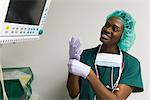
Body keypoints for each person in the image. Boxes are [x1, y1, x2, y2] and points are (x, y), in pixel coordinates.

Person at [67, 10, 144, 100]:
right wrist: (73, 65)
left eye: (114, 29)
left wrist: (89, 74)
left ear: (123, 36)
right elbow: (73, 93)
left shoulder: (131, 63)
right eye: (106, 25)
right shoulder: (85, 55)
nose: (107, 30)